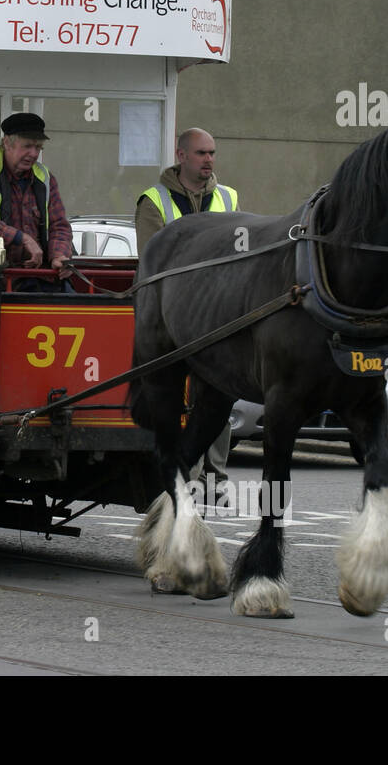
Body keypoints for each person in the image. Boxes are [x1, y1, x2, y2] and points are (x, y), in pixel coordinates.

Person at [134, 127, 241, 504]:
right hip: (175, 315)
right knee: (178, 400)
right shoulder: (154, 200)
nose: (209, 160)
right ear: (181, 156)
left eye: (212, 152)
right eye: (201, 153)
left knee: (222, 396)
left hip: (220, 313)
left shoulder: (228, 197)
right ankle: (187, 475)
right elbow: (154, 262)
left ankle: (216, 474)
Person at [0, 112, 73, 286]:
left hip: (39, 277)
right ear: (6, 143)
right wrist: (22, 238)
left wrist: (59, 256)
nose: (34, 154)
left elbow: (59, 226)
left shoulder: (45, 178)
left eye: (38, 147)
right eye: (27, 146)